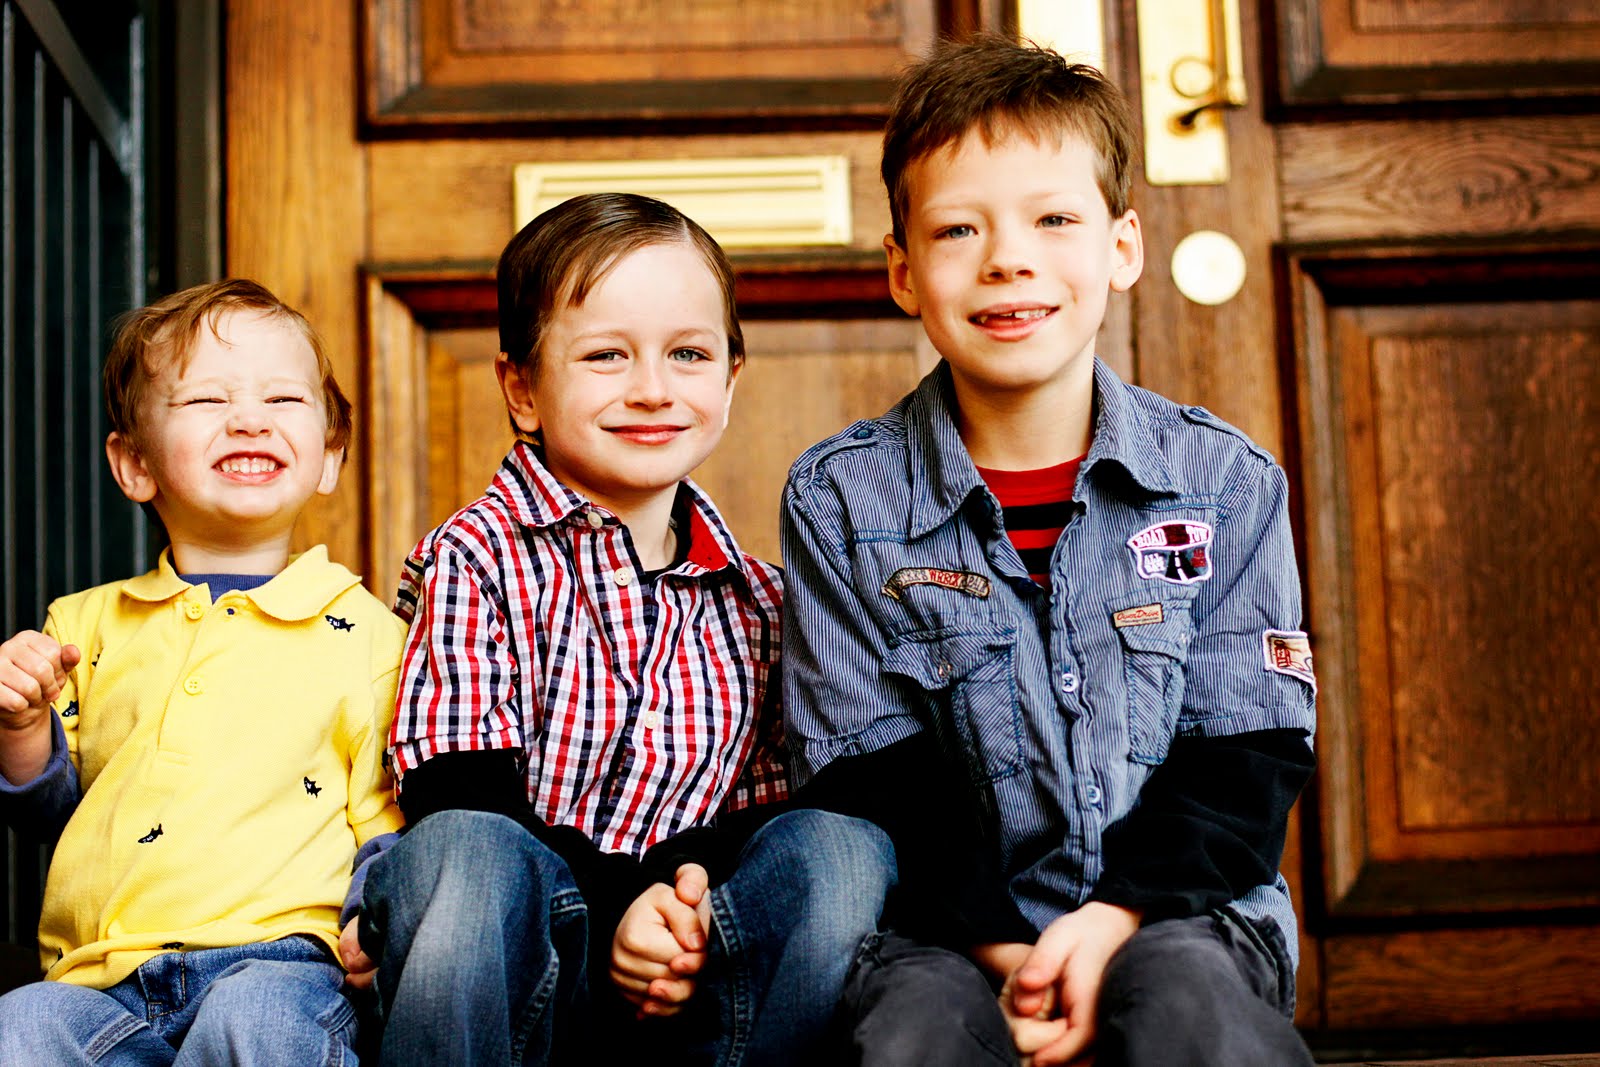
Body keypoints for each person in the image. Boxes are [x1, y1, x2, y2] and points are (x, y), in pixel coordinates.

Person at [781, 35, 1318, 1067]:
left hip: (1183, 912)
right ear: (901, 271)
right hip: (944, 932)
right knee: (910, 1032)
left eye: (1054, 220)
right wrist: (1011, 955)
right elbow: (868, 777)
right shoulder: (839, 499)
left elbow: (1247, 754)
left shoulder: (1225, 483)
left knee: (1187, 1002)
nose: (1006, 259)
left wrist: (1110, 921)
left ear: (1123, 247)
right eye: (957, 229)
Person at [348, 191, 894, 1066]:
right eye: (606, 355)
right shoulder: (478, 556)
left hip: (689, 976)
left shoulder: (761, 599)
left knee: (837, 846)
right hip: (528, 972)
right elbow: (459, 785)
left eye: (688, 354)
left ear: (730, 381)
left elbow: (758, 812)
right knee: (463, 848)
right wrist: (614, 911)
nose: (652, 388)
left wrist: (677, 905)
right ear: (522, 390)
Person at [0, 278, 406, 1063]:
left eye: (283, 399)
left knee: (253, 1023)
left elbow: (385, 820)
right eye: (207, 400)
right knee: (19, 1025)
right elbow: (51, 806)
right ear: (135, 463)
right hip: (99, 980)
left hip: (284, 965)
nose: (249, 418)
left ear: (330, 455)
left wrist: (373, 920)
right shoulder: (83, 626)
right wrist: (20, 722)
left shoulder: (366, 634)